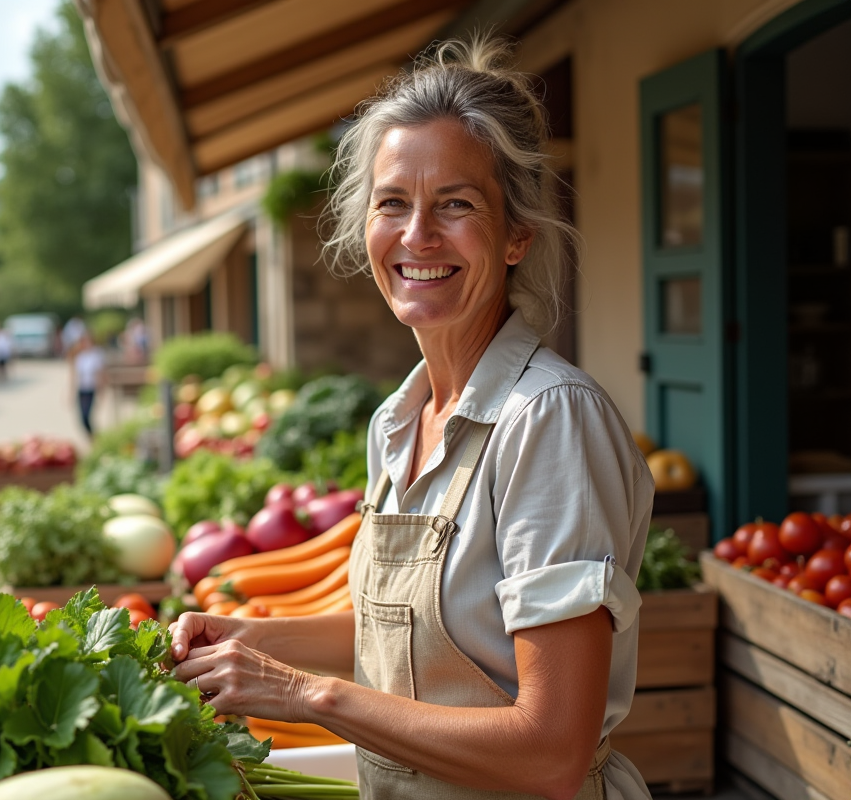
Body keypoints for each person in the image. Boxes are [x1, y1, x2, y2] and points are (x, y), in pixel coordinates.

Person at [170, 37, 653, 800]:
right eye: (392, 202)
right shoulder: (399, 423)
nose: (418, 235)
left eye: (456, 205)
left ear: (518, 234)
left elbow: (551, 751)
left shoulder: (548, 421)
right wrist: (247, 640)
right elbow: (413, 636)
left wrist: (303, 694)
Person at [70, 331, 106, 436]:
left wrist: (101, 391)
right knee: (82, 417)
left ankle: (94, 436)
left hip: (91, 389)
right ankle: (92, 436)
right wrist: (71, 392)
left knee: (87, 415)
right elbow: (74, 376)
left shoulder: (96, 356)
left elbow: (100, 374)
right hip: (81, 389)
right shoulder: (79, 356)